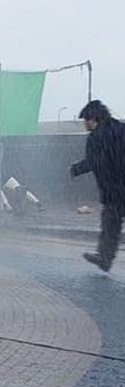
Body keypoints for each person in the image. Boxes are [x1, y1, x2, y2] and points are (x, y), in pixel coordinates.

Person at [70, 100, 125, 272]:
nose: (84, 125)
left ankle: (105, 258)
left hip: (114, 191)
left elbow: (94, 162)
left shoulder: (96, 138)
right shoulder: (121, 129)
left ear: (93, 119)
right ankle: (104, 258)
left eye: (85, 121)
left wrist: (75, 169)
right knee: (110, 224)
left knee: (110, 225)